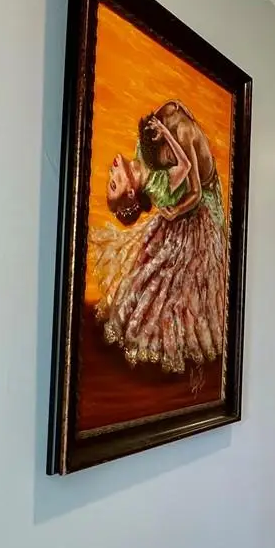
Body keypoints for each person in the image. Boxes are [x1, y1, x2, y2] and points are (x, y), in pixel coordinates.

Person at [92, 101, 228, 375]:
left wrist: (165, 126)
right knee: (166, 281)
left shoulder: (144, 150)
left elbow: (176, 111)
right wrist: (169, 132)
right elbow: (188, 178)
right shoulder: (159, 184)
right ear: (131, 193)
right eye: (115, 183)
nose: (112, 171)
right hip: (190, 209)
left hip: (193, 201)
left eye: (111, 179)